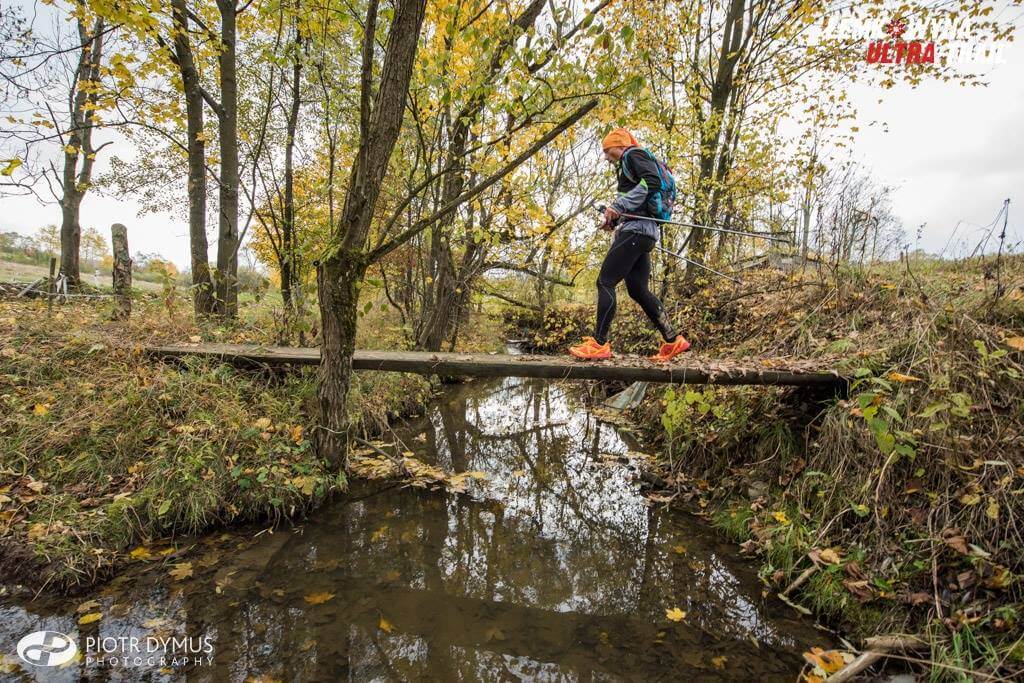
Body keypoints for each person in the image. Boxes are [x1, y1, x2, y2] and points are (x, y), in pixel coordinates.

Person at [568, 128, 690, 362]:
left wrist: (619, 206)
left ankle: (599, 344)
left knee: (605, 282)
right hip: (644, 233)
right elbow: (639, 202)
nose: (606, 156)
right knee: (637, 290)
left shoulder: (633, 155)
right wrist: (614, 219)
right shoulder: (629, 162)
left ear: (620, 145)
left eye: (607, 150)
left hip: (637, 231)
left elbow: (652, 182)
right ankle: (673, 341)